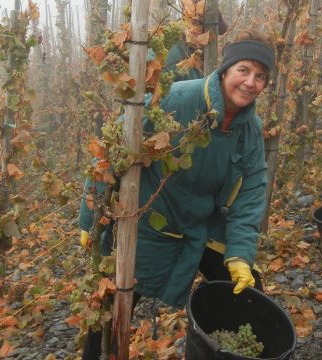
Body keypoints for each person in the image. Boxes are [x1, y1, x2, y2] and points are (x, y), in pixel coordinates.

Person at [79, 29, 275, 359]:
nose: (251, 82)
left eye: (261, 76)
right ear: (225, 69)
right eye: (244, 70)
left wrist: (241, 255)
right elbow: (111, 151)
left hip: (201, 228)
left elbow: (251, 192)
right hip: (149, 224)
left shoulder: (250, 129)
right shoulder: (176, 101)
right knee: (112, 307)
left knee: (249, 293)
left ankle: (231, 349)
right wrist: (90, 221)